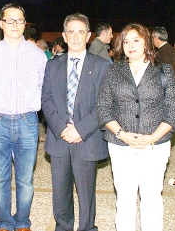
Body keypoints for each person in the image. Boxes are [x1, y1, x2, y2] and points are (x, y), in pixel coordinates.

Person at [97, 23, 175, 231]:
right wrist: (121, 133)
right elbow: (103, 107)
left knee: (151, 197)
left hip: (155, 147)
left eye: (136, 40)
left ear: (146, 42)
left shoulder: (163, 70)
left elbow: (174, 110)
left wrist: (152, 137)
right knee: (125, 198)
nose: (130, 45)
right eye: (126, 41)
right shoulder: (114, 71)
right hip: (120, 146)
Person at [0, 3, 47, 231]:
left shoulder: (38, 55)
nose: (15, 24)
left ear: (25, 24)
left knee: (25, 180)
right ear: (1, 23)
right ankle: (4, 221)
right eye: (10, 20)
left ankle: (23, 221)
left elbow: (46, 89)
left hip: (27, 122)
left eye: (20, 20)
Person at [41, 13, 110, 231]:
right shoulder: (53, 66)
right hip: (60, 139)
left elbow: (104, 104)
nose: (76, 36)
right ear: (63, 35)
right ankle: (63, 227)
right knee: (60, 193)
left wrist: (80, 129)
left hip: (87, 139)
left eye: (81, 31)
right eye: (71, 31)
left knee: (86, 194)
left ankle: (87, 228)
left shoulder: (102, 66)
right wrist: (63, 129)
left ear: (89, 35)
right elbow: (46, 100)